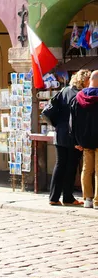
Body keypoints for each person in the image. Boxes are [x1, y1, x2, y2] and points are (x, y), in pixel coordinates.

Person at [44, 70, 90, 206]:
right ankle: (68, 197)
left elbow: (50, 110)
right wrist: (80, 139)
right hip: (72, 135)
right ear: (83, 81)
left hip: (60, 133)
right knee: (71, 166)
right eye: (88, 80)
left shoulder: (64, 91)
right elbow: (79, 120)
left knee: (60, 165)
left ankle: (53, 197)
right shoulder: (81, 95)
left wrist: (57, 125)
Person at [72, 70, 98, 209]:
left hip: (85, 140)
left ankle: (87, 199)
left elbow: (73, 120)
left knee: (86, 169)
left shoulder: (79, 97)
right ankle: (97, 201)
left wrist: (76, 140)